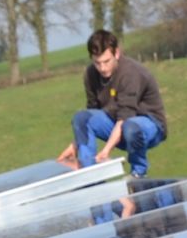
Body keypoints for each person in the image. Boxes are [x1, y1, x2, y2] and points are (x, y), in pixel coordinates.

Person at [57, 31, 166, 179]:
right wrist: (76, 144)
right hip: (115, 122)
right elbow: (92, 114)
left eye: (106, 61)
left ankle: (138, 173)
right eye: (97, 63)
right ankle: (88, 173)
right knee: (81, 117)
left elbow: (125, 118)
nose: (102, 68)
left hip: (148, 125)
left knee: (130, 127)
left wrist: (106, 151)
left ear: (117, 53)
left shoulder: (130, 74)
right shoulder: (90, 74)